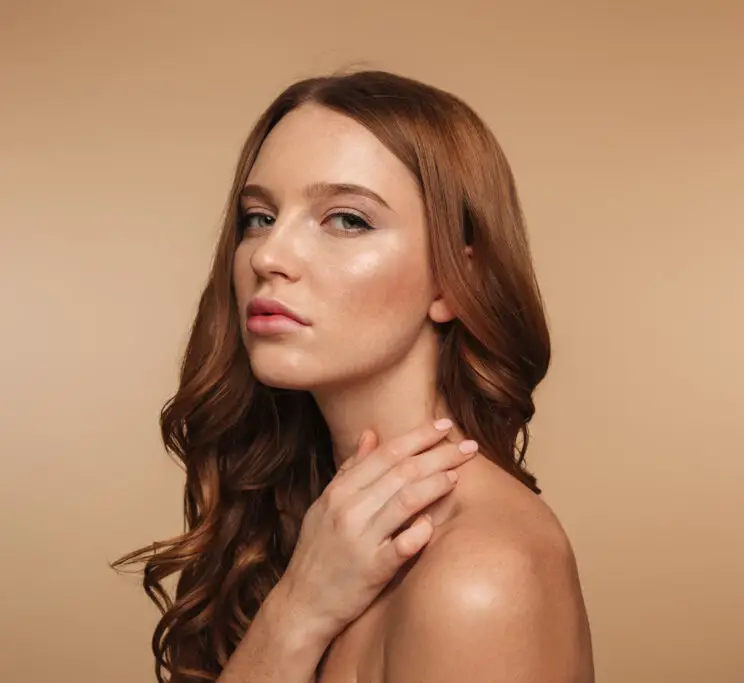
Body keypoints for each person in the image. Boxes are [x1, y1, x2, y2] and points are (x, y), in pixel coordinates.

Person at [114, 69, 594, 683]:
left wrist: (296, 612)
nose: (267, 256)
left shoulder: (480, 573)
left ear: (454, 279)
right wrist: (296, 611)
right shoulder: (313, 534)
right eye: (259, 217)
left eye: (346, 220)